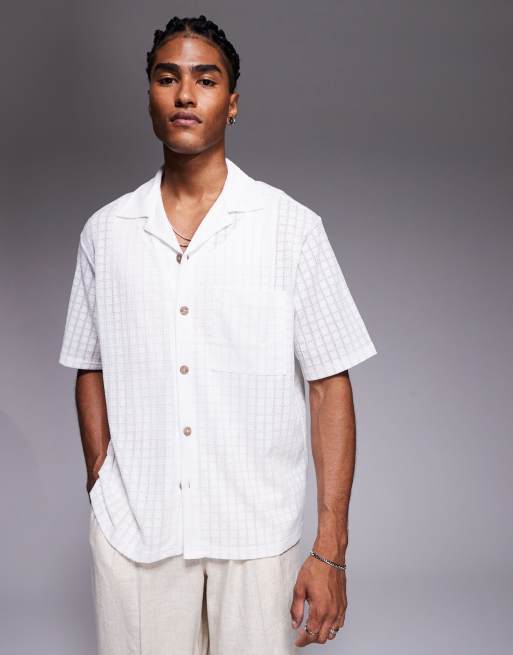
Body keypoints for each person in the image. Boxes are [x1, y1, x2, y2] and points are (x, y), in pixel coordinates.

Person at [58, 14, 377, 655]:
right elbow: (89, 365)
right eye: (167, 78)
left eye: (205, 80)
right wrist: (102, 479)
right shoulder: (105, 233)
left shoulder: (291, 229)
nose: (185, 94)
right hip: (137, 535)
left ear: (231, 103)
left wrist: (331, 549)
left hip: (257, 535)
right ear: (150, 96)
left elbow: (329, 386)